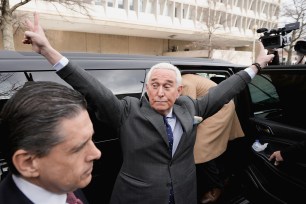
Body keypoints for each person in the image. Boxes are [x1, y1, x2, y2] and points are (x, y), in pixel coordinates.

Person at [23, 13, 274, 204]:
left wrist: (257, 65)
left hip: (184, 195)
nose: (160, 91)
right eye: (154, 85)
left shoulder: (189, 107)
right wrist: (47, 50)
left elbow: (224, 90)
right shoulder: (127, 111)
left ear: (179, 92)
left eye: (168, 85)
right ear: (147, 90)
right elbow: (90, 86)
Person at [0, 81, 101, 204]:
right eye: (78, 148)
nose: (97, 153)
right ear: (28, 163)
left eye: (91, 138)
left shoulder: (62, 181)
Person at [181, 74, 245, 203]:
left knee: (200, 150)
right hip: (213, 107)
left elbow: (189, 113)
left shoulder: (184, 83)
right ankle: (224, 177)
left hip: (219, 109)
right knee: (210, 148)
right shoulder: (180, 79)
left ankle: (214, 189)